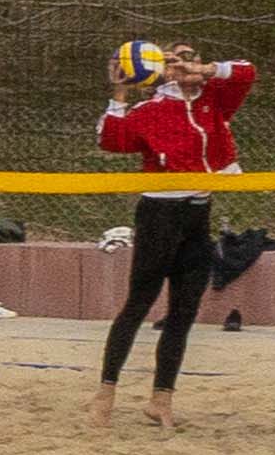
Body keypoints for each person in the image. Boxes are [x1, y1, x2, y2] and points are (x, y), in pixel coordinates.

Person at [92, 40, 258, 432]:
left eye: (189, 57)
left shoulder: (213, 100)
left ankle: (161, 399)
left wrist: (203, 71)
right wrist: (119, 90)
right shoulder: (150, 110)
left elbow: (247, 70)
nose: (182, 63)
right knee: (138, 305)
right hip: (159, 215)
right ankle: (105, 392)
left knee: (183, 313)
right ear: (157, 69)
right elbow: (110, 139)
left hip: (197, 215)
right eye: (172, 59)